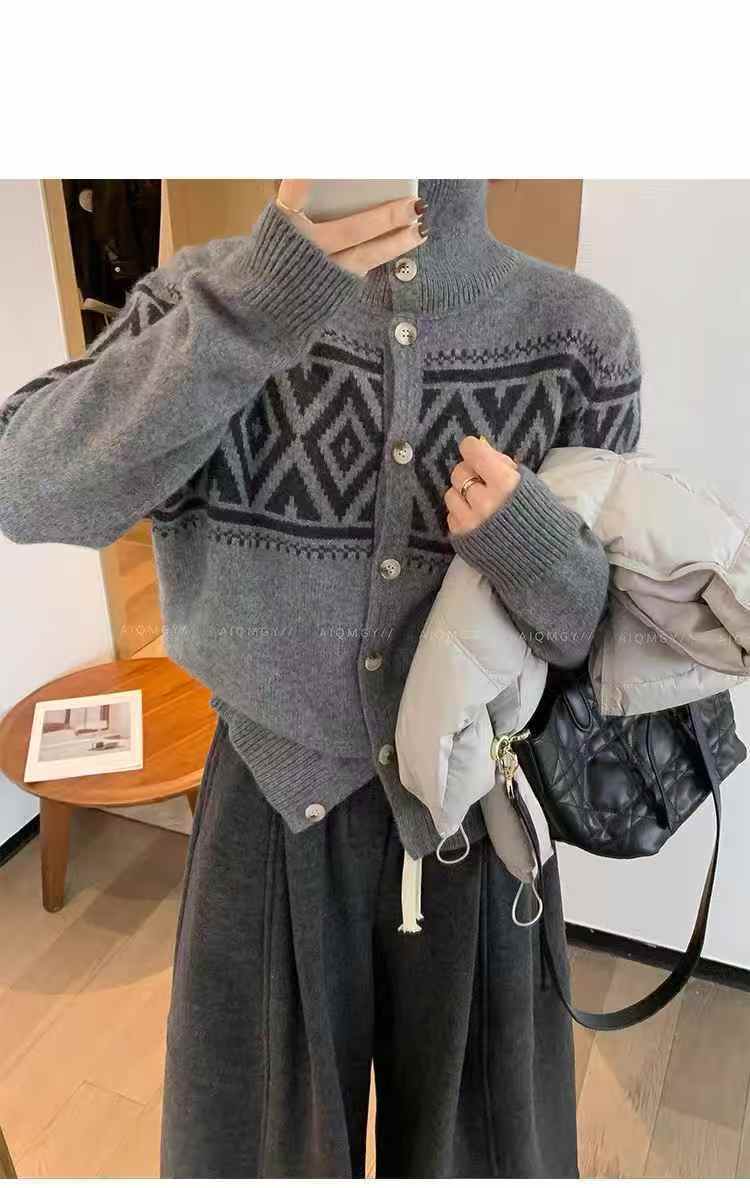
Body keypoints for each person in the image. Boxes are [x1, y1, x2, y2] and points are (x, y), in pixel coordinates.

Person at [0, 179, 641, 1178]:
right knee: (255, 1149)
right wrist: (256, 308)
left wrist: (534, 549)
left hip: (481, 819)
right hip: (266, 809)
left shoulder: (580, 337)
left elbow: (599, 640)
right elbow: (26, 487)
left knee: (484, 1152)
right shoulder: (205, 298)